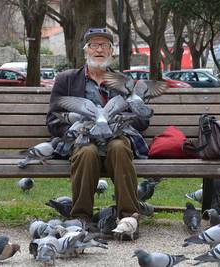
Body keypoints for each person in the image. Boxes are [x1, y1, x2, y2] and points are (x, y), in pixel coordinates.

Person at [46, 28, 150, 239]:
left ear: (111, 51)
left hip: (116, 138)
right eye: (94, 45)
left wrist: (120, 125)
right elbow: (54, 119)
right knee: (86, 151)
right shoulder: (66, 80)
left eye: (104, 45)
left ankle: (128, 218)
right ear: (86, 50)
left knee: (119, 147)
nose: (99, 49)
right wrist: (78, 131)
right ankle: (81, 219)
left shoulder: (124, 82)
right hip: (83, 139)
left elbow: (141, 118)